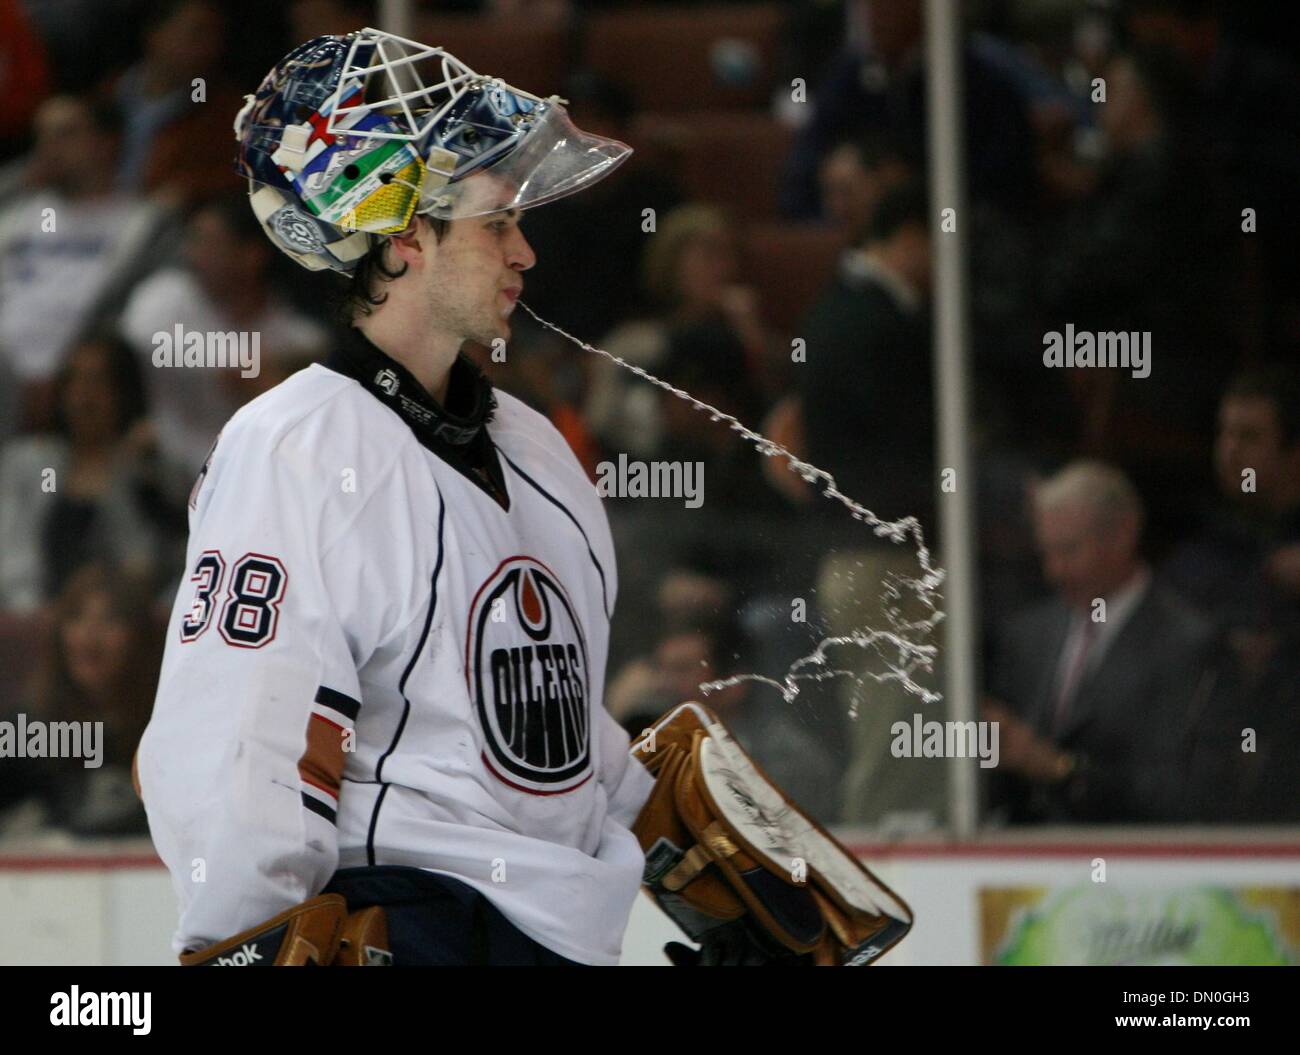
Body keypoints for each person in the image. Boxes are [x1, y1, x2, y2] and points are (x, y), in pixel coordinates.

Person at [135, 29, 656, 967]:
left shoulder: (536, 446)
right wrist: (243, 942)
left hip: (564, 942)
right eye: (498, 222)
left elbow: (538, 726)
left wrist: (662, 820)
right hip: (408, 927)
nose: (526, 252)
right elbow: (241, 728)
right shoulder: (291, 448)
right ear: (408, 233)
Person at [983, 461, 1213, 824]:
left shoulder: (1186, 644)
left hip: (1134, 864)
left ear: (1124, 533)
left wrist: (1060, 769)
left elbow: (1176, 791)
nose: (1054, 571)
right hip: (1023, 863)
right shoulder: (1026, 637)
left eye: (1070, 551)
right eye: (1046, 553)